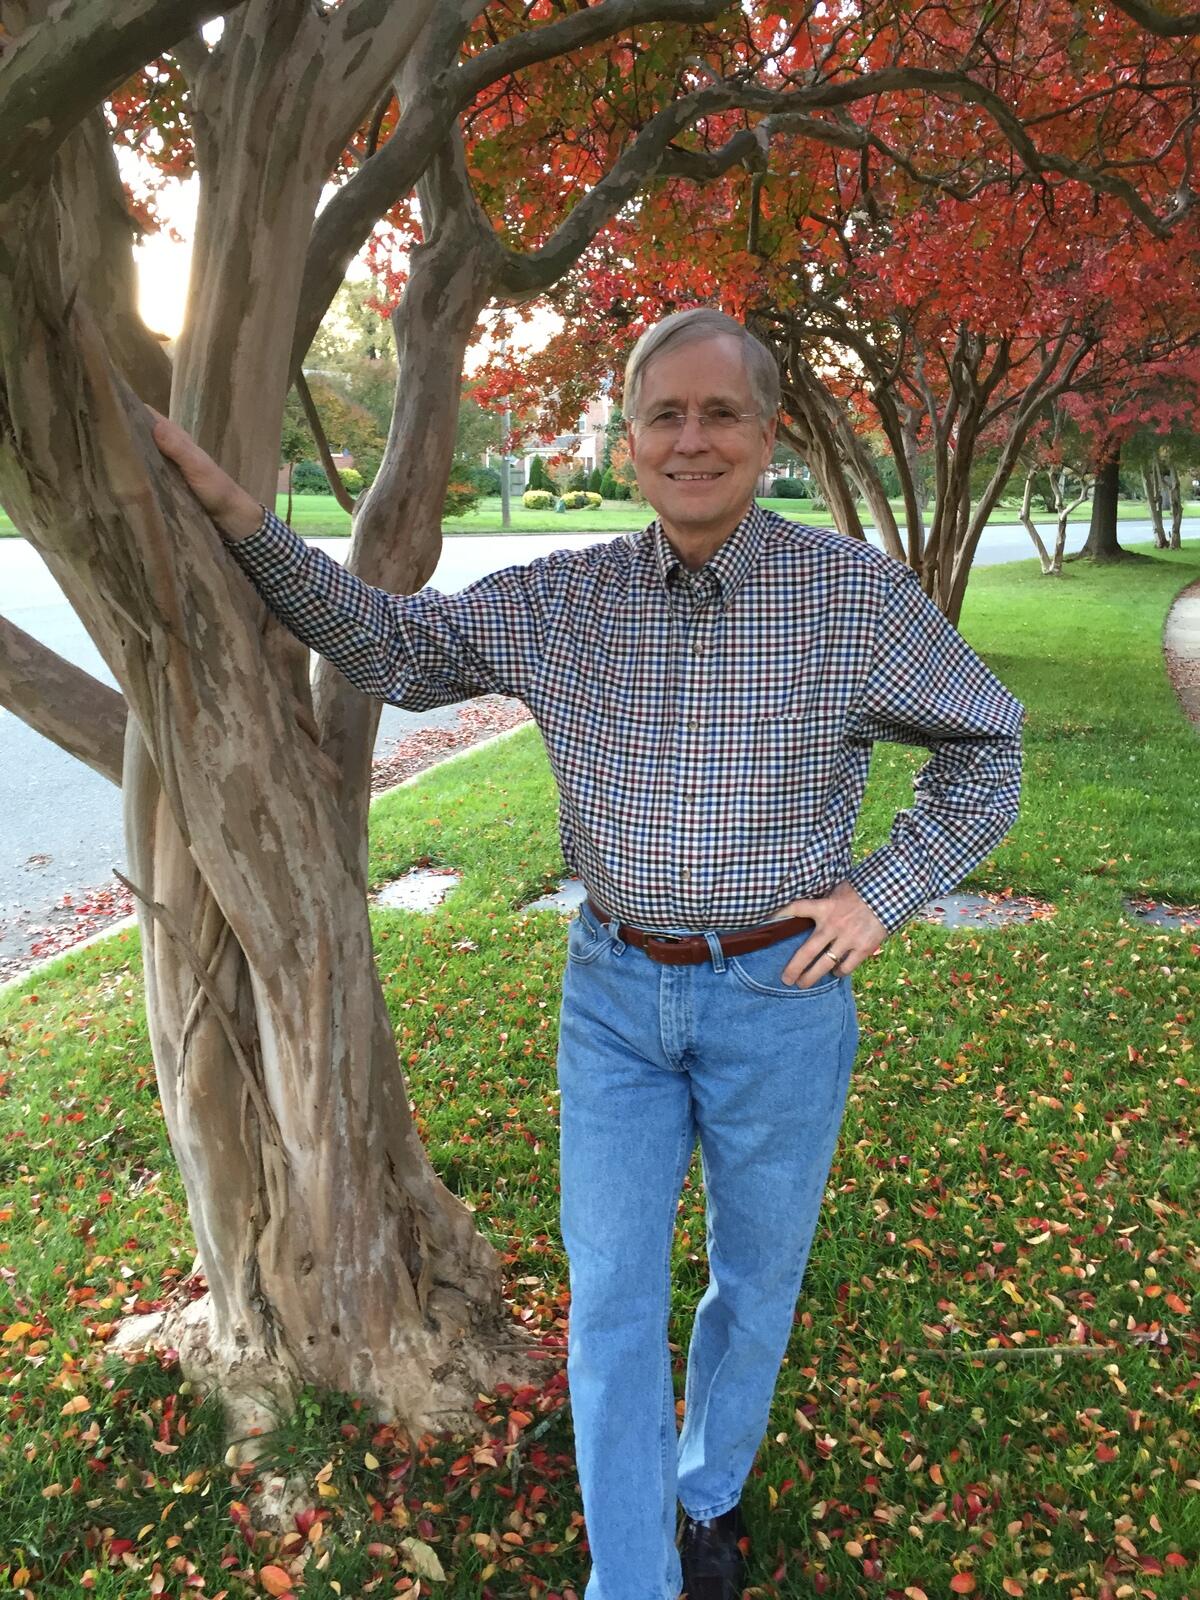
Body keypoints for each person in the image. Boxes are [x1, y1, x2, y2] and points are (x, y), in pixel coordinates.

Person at [153, 307, 1023, 1600]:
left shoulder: (853, 598)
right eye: (664, 414)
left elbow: (989, 749)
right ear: (628, 439)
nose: (691, 440)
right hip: (615, 998)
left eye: (720, 413)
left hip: (779, 1000)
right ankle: (634, 1577)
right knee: (612, 1299)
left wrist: (880, 896)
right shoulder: (567, 600)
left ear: (768, 432)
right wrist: (240, 516)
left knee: (754, 1280)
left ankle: (707, 1494)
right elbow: (392, 644)